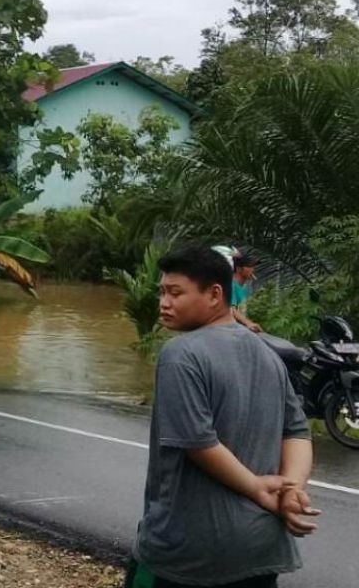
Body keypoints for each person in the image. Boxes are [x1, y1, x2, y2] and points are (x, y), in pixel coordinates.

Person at [128, 244, 317, 588]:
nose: (163, 303)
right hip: (261, 548)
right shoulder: (267, 353)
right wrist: (291, 489)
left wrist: (260, 488)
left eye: (175, 293)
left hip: (189, 550)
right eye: (162, 293)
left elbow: (198, 442)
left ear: (215, 294)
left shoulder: (181, 354)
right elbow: (298, 433)